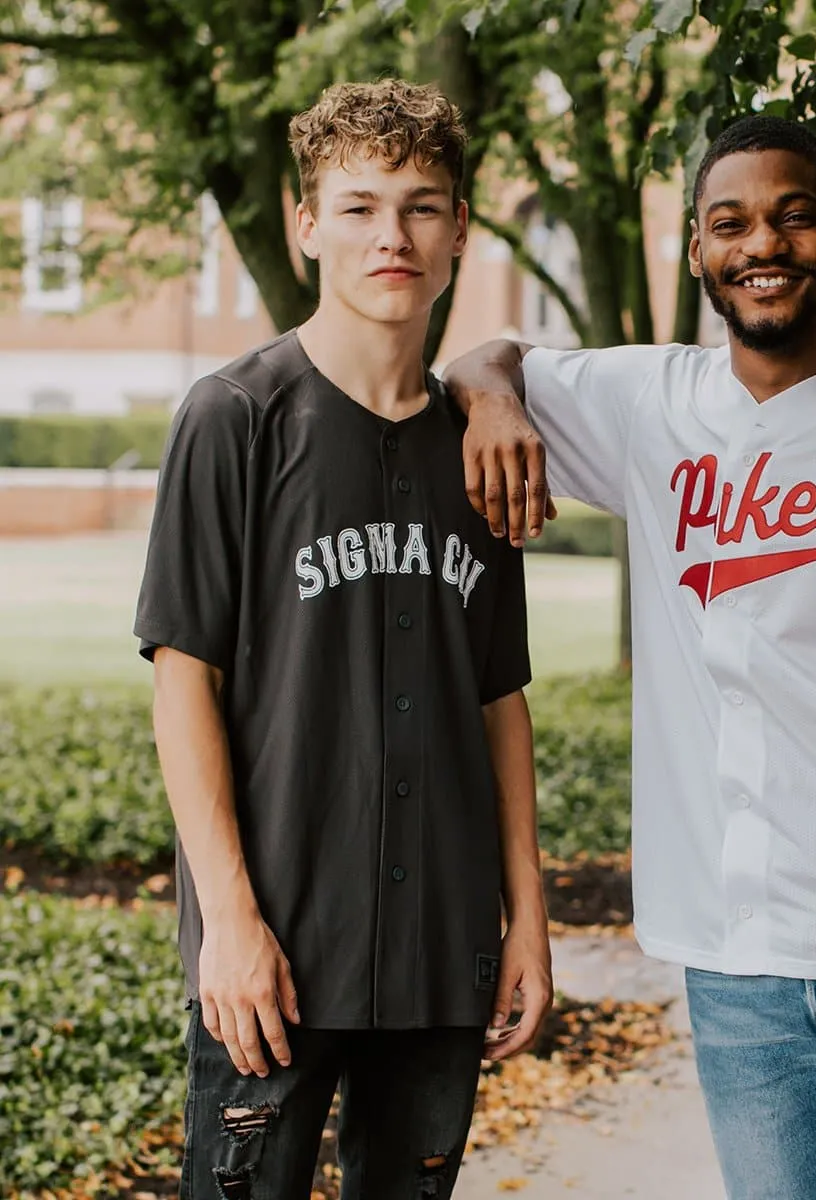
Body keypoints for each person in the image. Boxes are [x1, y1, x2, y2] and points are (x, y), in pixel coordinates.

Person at [444, 114, 816, 1199]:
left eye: (793, 216)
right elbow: (480, 355)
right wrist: (494, 402)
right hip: (739, 978)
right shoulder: (650, 402)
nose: (761, 244)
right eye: (730, 223)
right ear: (696, 252)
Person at [134, 79, 552, 1200]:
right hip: (273, 956)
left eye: (422, 207)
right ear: (307, 224)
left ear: (461, 231)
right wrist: (227, 922)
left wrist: (527, 918)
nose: (392, 236)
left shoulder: (482, 448)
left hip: (438, 950)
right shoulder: (235, 418)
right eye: (359, 206)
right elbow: (184, 682)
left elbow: (496, 696)